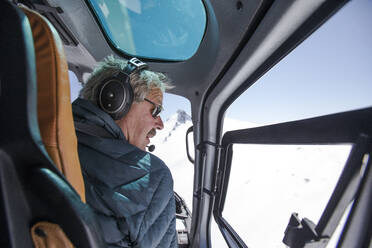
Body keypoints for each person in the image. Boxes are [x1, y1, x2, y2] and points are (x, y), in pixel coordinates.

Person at [72, 56, 177, 248]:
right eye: (155, 110)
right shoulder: (153, 176)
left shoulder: (50, 138)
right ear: (117, 99)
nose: (160, 124)